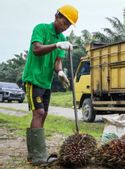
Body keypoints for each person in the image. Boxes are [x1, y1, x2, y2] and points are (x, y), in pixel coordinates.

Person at [22, 4, 78, 166]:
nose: (66, 27)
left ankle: (34, 152)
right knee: (38, 112)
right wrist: (55, 45)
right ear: (57, 16)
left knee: (44, 114)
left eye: (69, 25)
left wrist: (60, 73)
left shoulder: (62, 39)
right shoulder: (41, 29)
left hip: (46, 82)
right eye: (64, 22)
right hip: (33, 78)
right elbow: (36, 49)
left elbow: (57, 61)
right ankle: (39, 156)